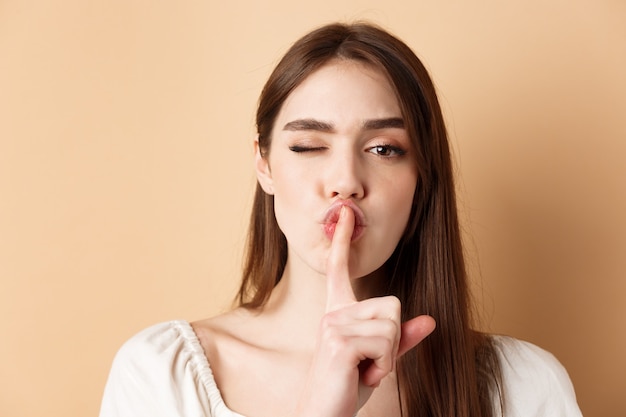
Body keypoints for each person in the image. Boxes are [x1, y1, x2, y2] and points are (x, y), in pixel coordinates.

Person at [99, 22, 583, 417]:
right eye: (309, 146)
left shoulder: (523, 387)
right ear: (264, 164)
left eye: (384, 149)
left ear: (422, 177)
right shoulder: (160, 373)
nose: (346, 181)